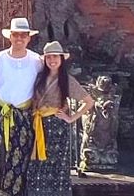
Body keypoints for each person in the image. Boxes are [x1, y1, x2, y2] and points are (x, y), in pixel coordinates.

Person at [0, 17, 43, 196]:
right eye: (16, 35)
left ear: (29, 38)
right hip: (1, 116)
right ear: (10, 37)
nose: (19, 39)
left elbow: (46, 86)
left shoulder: (37, 61)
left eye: (23, 35)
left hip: (24, 118)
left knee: (19, 162)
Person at [27, 41, 94, 196]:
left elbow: (89, 101)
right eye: (49, 57)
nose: (52, 60)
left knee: (56, 165)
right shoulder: (38, 78)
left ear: (61, 59)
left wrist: (71, 118)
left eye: (55, 56)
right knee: (37, 163)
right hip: (38, 125)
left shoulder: (67, 80)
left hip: (57, 128)